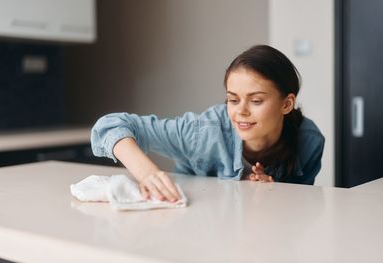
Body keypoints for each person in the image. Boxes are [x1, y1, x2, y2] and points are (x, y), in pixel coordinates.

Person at [91, 44, 325, 202]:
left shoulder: (309, 141)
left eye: (255, 100)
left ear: (286, 104)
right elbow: (110, 124)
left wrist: (276, 194)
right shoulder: (203, 131)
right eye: (232, 99)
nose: (241, 111)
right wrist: (147, 173)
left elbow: (299, 210)